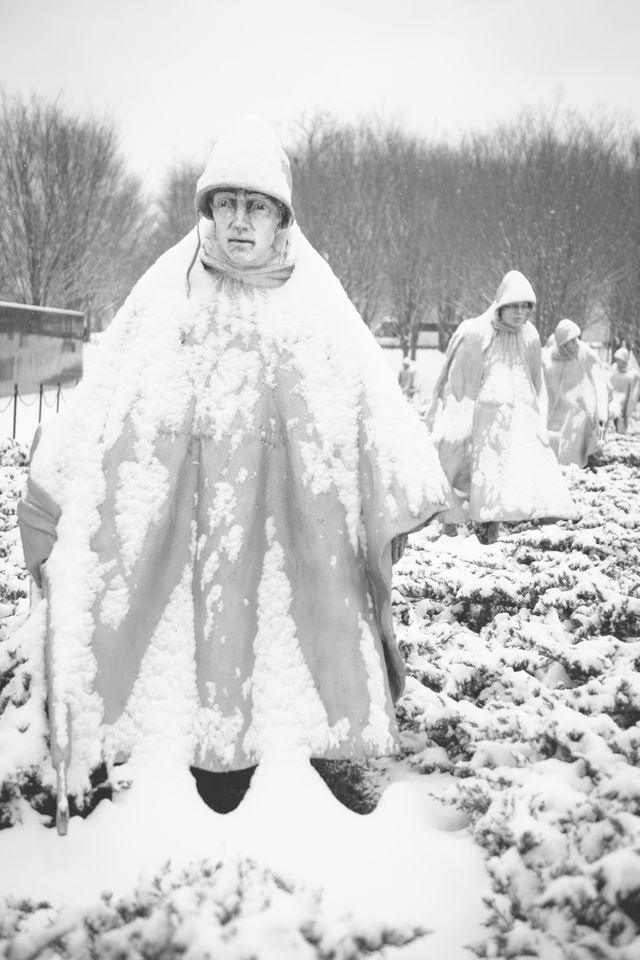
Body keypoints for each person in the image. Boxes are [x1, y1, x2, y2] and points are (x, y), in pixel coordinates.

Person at [16, 115, 452, 814]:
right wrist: (57, 488)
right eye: (225, 205)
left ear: (282, 218)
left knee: (319, 647)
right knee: (179, 642)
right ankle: (184, 744)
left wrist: (391, 488)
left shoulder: (316, 299)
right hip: (186, 531)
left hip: (297, 541)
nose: (238, 222)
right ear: (208, 212)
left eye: (255, 206)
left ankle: (328, 743)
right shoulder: (167, 291)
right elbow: (102, 403)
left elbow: (370, 397)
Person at [426, 270, 575, 544]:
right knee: (469, 467)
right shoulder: (476, 333)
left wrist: (533, 413)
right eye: (514, 307)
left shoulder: (529, 335)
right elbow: (460, 382)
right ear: (501, 306)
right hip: (485, 413)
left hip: (518, 412)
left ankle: (524, 520)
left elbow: (534, 378)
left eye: (525, 307)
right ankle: (457, 521)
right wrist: (460, 418)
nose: (520, 313)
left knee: (521, 469)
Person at [542, 318, 609, 467]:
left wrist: (599, 408)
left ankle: (591, 455)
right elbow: (545, 384)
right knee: (557, 430)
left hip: (585, 399)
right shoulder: (550, 358)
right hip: (559, 404)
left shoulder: (585, 352)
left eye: (575, 340)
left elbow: (598, 379)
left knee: (587, 420)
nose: (575, 344)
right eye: (570, 341)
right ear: (562, 344)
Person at [609, 346, 639, 434]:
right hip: (614, 395)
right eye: (617, 360)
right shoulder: (613, 369)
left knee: (622, 413)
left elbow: (634, 389)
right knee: (612, 410)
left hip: (625, 397)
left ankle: (623, 427)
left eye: (620, 360)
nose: (618, 362)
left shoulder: (632, 374)